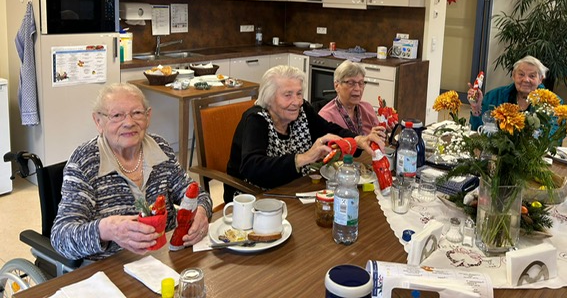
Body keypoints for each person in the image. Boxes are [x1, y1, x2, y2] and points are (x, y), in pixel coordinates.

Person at [51, 83, 213, 261]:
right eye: (117, 115)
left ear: (148, 116)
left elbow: (196, 193)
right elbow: (61, 238)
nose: (129, 123)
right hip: (112, 265)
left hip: (166, 257)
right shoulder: (84, 162)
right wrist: (106, 229)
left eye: (136, 113)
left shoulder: (160, 147)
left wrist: (202, 211)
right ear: (98, 121)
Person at [225, 65, 386, 203]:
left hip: (295, 188)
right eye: (288, 95)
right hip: (255, 197)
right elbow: (252, 168)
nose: (296, 102)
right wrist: (305, 157)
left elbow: (328, 129)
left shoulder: (303, 110)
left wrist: (358, 140)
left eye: (299, 93)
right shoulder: (256, 120)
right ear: (269, 98)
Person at [468, 55, 558, 131]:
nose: (526, 80)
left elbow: (553, 138)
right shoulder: (493, 96)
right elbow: (477, 131)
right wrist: (476, 108)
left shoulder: (553, 103)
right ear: (514, 76)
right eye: (521, 74)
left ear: (540, 79)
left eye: (532, 76)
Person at [319, 60, 381, 135]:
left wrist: (384, 131)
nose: (357, 88)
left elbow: (379, 137)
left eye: (361, 83)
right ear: (337, 86)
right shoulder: (326, 116)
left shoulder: (367, 108)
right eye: (351, 83)